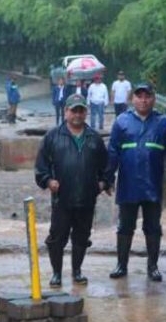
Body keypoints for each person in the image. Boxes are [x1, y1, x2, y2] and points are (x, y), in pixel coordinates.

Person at [35, 94, 110, 287]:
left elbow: (106, 167)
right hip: (62, 199)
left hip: (86, 198)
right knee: (57, 238)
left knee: (81, 237)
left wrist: (103, 183)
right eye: (73, 110)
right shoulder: (53, 137)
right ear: (66, 112)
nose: (77, 114)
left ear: (86, 112)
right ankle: (57, 273)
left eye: (81, 110)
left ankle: (77, 271)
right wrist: (48, 181)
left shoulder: (94, 138)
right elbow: (40, 166)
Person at [105, 83, 166, 282]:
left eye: (147, 96)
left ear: (153, 99)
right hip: (128, 183)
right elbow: (113, 152)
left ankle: (153, 267)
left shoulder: (164, 123)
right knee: (125, 226)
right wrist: (108, 178)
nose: (143, 100)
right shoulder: (122, 121)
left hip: (153, 183)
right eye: (139, 96)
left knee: (153, 227)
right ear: (133, 99)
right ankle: (121, 265)